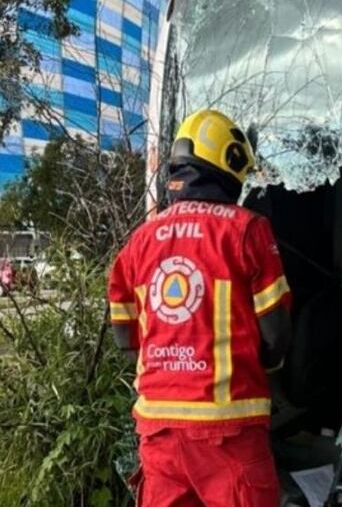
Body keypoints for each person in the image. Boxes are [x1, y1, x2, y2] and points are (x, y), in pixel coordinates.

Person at [108, 109, 292, 506]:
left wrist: (167, 366)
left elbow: (124, 331)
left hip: (158, 432)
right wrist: (262, 365)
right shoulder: (246, 229)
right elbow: (276, 335)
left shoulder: (140, 240)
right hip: (229, 429)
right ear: (227, 163)